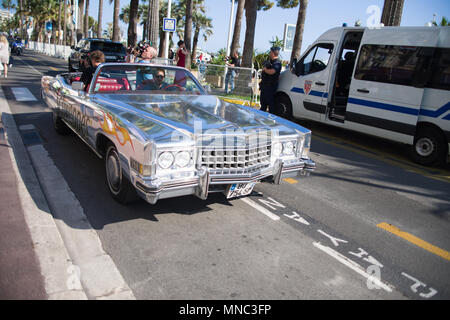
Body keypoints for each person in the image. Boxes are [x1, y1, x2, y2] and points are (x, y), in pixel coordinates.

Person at [259, 46, 282, 114]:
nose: (269, 53)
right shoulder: (270, 61)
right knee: (263, 104)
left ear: (273, 53)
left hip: (270, 87)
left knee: (271, 105)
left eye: (270, 52)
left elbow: (272, 71)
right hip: (265, 85)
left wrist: (265, 70)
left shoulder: (277, 63)